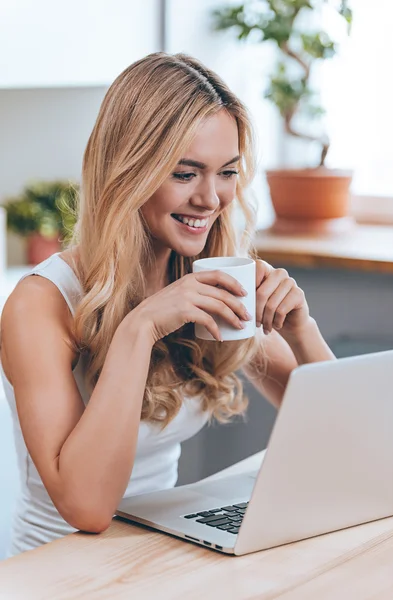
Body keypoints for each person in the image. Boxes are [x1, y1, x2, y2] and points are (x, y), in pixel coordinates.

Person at [0, 52, 335, 557]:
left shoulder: (206, 274)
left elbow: (345, 437)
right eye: (184, 174)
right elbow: (87, 509)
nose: (211, 198)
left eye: (226, 172)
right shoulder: (41, 303)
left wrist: (301, 329)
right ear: (127, 171)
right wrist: (140, 329)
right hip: (61, 567)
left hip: (165, 553)